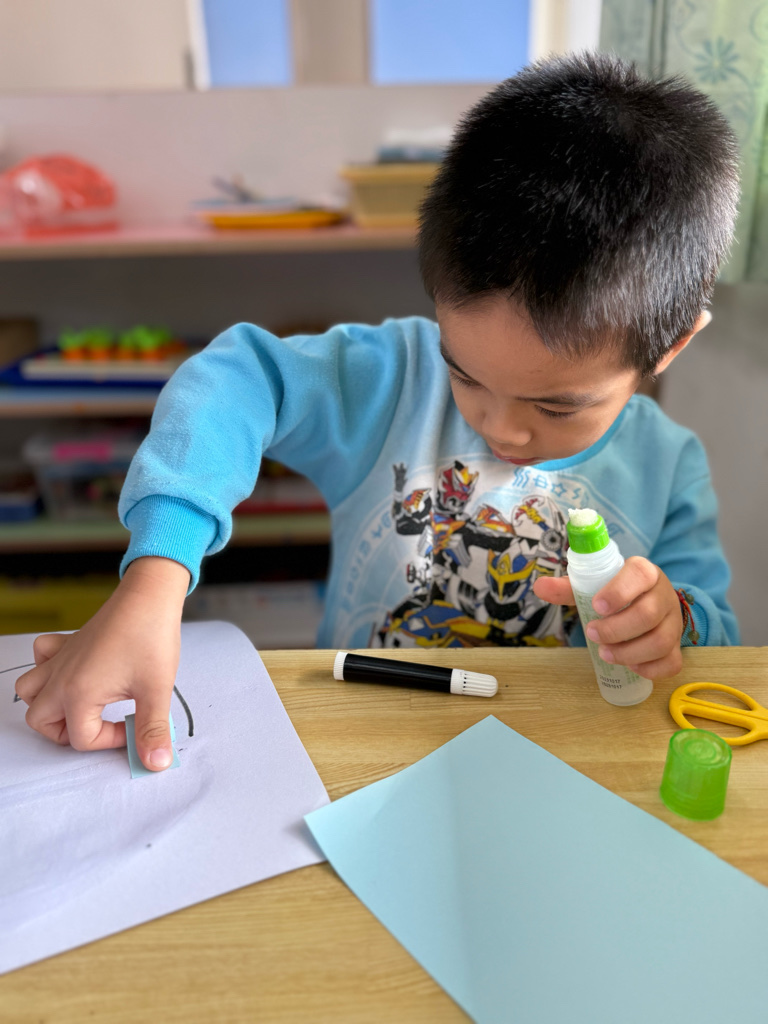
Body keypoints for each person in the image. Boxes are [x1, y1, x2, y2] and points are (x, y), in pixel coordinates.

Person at [15, 52, 740, 771]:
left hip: (567, 764)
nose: (501, 427)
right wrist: (155, 576)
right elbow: (236, 379)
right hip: (363, 749)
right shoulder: (393, 383)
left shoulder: (669, 467)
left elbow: (714, 640)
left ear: (671, 346)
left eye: (555, 406)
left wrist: (671, 621)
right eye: (465, 374)